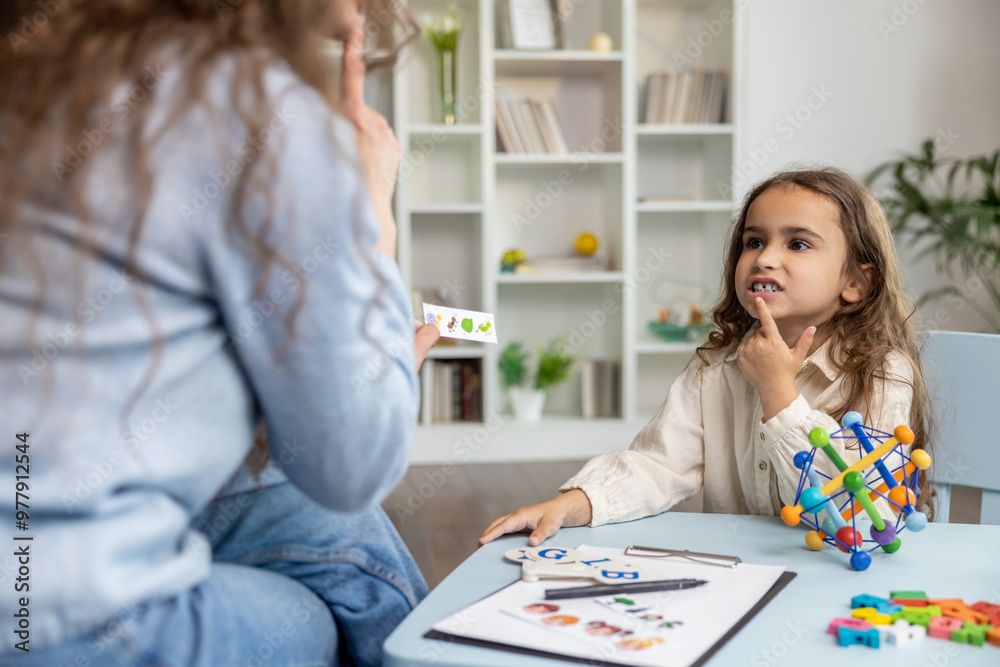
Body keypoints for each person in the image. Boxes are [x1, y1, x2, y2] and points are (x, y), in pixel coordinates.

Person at [0, 1, 439, 665]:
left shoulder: (50, 79)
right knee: (327, 609)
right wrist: (372, 219)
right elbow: (353, 465)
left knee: (336, 530)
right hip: (58, 613)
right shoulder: (257, 111)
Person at [480, 167, 935, 547]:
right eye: (754, 242)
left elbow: (861, 512)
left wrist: (778, 392)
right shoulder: (716, 367)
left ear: (855, 283)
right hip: (737, 577)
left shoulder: (881, 371)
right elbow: (658, 465)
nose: (764, 259)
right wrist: (572, 504)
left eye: (797, 244)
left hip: (843, 578)